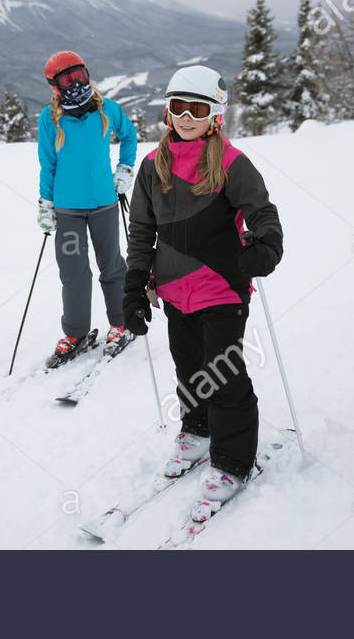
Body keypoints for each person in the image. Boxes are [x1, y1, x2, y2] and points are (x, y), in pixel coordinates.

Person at [123, 65, 283, 522]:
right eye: (178, 108)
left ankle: (233, 459)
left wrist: (266, 245)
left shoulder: (232, 164)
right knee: (189, 366)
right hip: (173, 290)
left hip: (222, 288)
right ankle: (195, 432)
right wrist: (134, 287)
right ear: (167, 113)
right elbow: (141, 230)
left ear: (215, 114)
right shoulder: (154, 167)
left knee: (223, 373)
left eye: (198, 108)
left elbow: (263, 213)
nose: (186, 116)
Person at [37, 51, 138, 366]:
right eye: (68, 79)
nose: (77, 82)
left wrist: (124, 170)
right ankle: (76, 332)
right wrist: (46, 202)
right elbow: (48, 164)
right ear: (55, 85)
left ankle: (120, 324)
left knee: (112, 265)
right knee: (73, 271)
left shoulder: (107, 110)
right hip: (67, 210)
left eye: (80, 74)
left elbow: (130, 136)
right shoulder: (49, 118)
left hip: (104, 204)